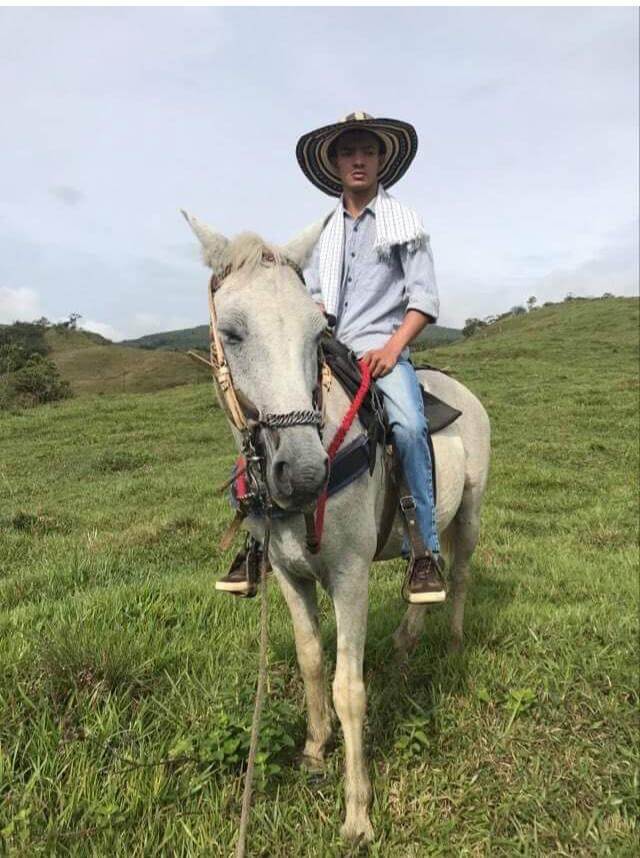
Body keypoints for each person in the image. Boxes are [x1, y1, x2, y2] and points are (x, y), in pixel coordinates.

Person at [216, 111, 446, 604]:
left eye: (367, 151)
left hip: (381, 350)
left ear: (382, 159)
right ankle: (258, 540)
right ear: (336, 163)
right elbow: (315, 297)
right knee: (270, 412)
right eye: (348, 152)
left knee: (407, 425)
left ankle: (423, 549)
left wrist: (392, 348)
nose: (358, 160)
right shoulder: (323, 234)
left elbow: (424, 300)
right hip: (327, 344)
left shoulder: (405, 224)